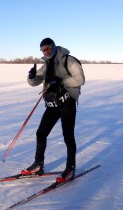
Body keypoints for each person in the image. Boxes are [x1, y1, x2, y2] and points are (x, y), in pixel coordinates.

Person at [21, 38, 85, 183]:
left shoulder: (68, 60)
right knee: (41, 133)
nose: (46, 51)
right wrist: (31, 77)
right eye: (43, 50)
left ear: (54, 46)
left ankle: (70, 168)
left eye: (48, 48)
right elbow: (35, 81)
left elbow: (80, 79)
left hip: (67, 103)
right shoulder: (46, 64)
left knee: (68, 136)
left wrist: (62, 82)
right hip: (52, 105)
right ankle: (38, 165)